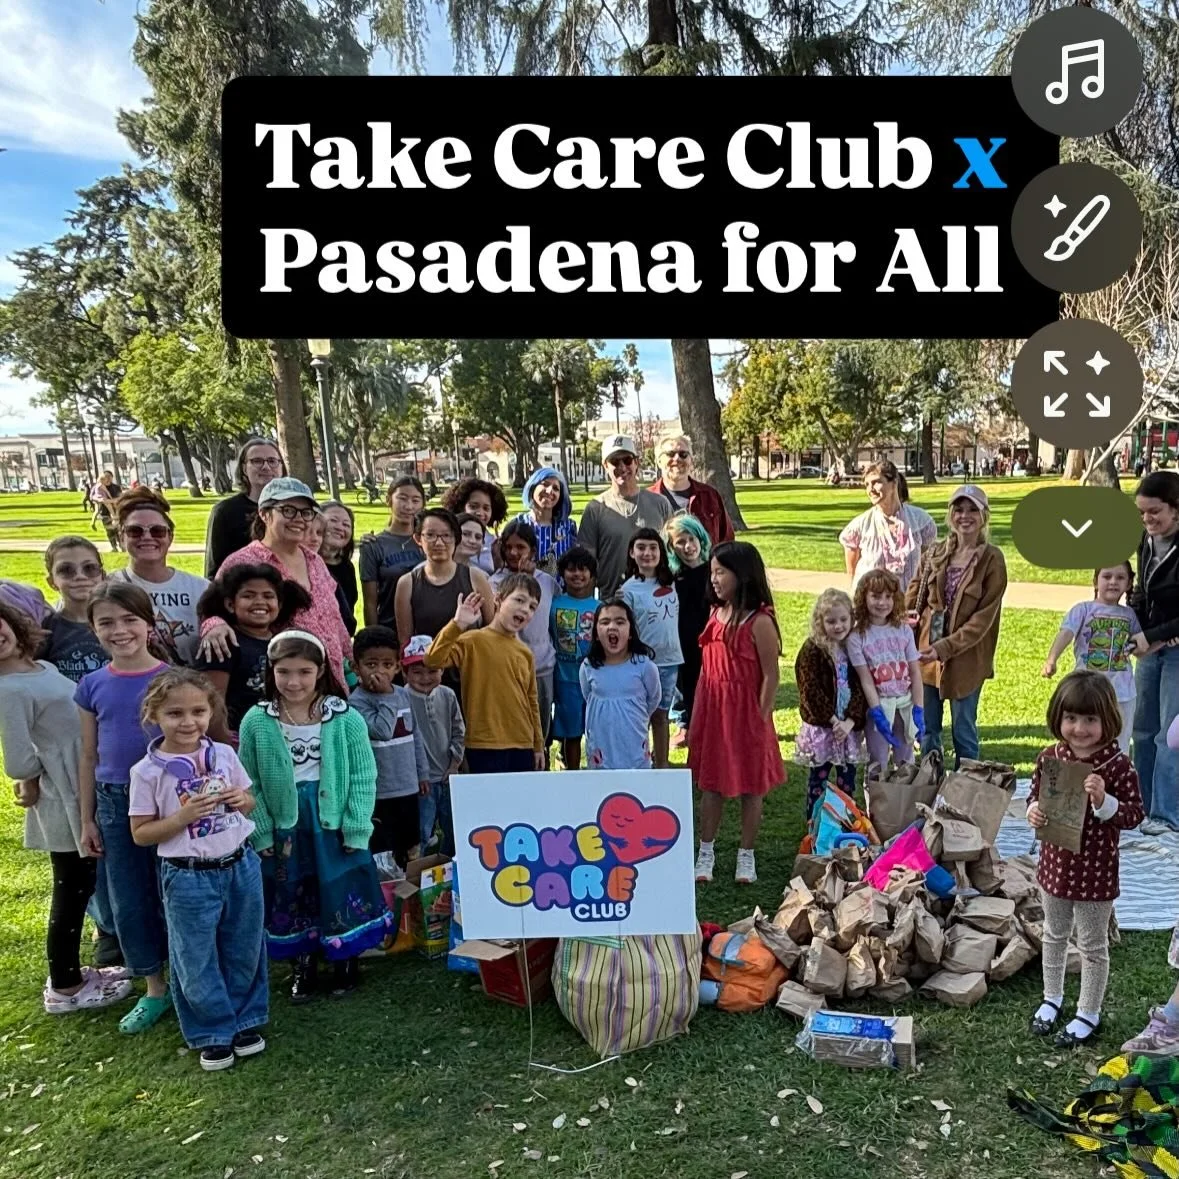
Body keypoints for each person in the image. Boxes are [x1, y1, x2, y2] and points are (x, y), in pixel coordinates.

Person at [238, 631, 390, 1001]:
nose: (294, 682)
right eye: (284, 672)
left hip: (332, 822)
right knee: (292, 889)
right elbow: (249, 780)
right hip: (286, 826)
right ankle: (302, 961)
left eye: (304, 672)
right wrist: (260, 832)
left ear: (320, 671)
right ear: (270, 671)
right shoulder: (257, 721)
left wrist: (356, 826)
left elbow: (362, 775)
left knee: (340, 884)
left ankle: (345, 958)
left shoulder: (345, 719)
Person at [128, 669, 268, 1072]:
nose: (188, 722)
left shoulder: (223, 754)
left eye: (198, 712)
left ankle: (245, 1020)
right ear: (154, 715)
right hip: (188, 875)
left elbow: (249, 802)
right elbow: (141, 834)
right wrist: (183, 816)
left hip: (239, 863)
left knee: (243, 944)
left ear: (211, 712)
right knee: (195, 955)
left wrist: (240, 798)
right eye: (175, 714)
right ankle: (212, 1030)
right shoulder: (147, 772)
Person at [0, 601, 132, 1015]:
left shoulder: (38, 668)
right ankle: (65, 987)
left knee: (80, 883)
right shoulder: (7, 689)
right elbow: (19, 762)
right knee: (72, 889)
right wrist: (46, 768)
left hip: (82, 781)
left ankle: (72, 974)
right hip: (65, 794)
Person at [1027, 671, 1144, 1048]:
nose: (1079, 728)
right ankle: (1052, 997)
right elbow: (1034, 794)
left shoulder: (1117, 767)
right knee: (1054, 934)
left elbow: (1134, 814)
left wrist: (1104, 802)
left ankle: (1088, 1012)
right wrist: (1033, 811)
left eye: (1090, 719)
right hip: (1054, 867)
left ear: (1107, 720)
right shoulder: (1050, 758)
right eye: (1071, 718)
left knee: (1093, 946)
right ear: (1058, 717)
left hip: (1095, 873)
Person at [75, 582, 172, 1034]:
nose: (120, 630)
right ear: (94, 629)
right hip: (116, 801)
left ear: (148, 622)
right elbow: (89, 755)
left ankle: (188, 974)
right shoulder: (92, 685)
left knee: (176, 892)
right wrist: (86, 819)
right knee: (130, 898)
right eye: (107, 622)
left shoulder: (172, 679)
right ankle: (155, 986)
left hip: (170, 798)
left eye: (130, 619)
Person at [690, 542, 785, 886]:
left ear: (742, 574)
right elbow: (707, 669)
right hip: (715, 709)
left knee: (751, 787)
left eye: (720, 571)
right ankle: (706, 851)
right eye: (712, 571)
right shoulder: (716, 614)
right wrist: (698, 713)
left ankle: (746, 854)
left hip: (746, 715)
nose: (713, 578)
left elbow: (771, 677)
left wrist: (759, 719)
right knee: (710, 784)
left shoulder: (759, 622)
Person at [201, 478, 352, 688]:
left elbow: (334, 619)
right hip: (286, 687)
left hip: (330, 680)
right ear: (264, 514)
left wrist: (351, 662)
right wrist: (214, 626)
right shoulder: (243, 561)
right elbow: (212, 609)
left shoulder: (315, 561)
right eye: (288, 510)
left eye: (306, 512)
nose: (299, 519)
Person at [907, 484, 1007, 769]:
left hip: (966, 659)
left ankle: (964, 796)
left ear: (984, 516)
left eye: (972, 509)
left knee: (963, 730)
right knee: (927, 729)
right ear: (950, 515)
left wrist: (945, 647)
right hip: (926, 655)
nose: (965, 516)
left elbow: (983, 619)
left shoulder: (992, 559)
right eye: (959, 510)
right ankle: (930, 786)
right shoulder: (935, 552)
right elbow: (913, 596)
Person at [425, 581, 545, 774]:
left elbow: (532, 701)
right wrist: (457, 624)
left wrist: (538, 745)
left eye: (532, 607)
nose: (525, 609)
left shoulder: (525, 653)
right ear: (498, 599)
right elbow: (432, 660)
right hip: (484, 743)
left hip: (523, 743)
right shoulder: (472, 640)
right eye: (519, 600)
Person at [195, 564, 311, 742]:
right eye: (248, 596)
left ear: (279, 605)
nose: (259, 601)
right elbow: (211, 703)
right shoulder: (224, 642)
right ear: (230, 604)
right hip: (238, 740)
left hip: (281, 738)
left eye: (268, 596)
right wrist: (226, 746)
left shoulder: (285, 643)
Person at [350, 626, 430, 869]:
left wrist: (422, 772)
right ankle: (386, 895)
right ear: (356, 668)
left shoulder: (403, 695)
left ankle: (411, 894)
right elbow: (382, 731)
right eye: (371, 665)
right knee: (383, 851)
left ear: (397, 667)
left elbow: (415, 734)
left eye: (387, 665)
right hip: (378, 792)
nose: (380, 672)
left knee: (410, 846)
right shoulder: (355, 703)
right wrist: (385, 696)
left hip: (407, 786)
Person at [394, 508, 494, 696]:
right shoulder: (407, 583)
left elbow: (493, 629)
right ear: (418, 539)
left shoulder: (476, 578)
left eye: (446, 536)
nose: (439, 542)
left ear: (456, 538)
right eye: (430, 535)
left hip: (471, 676)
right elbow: (405, 642)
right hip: (428, 679)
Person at [1043, 563, 1140, 755]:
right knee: (1080, 741)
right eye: (1107, 577)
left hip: (1122, 693)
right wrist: (1051, 659)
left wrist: (1165, 639)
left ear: (1129, 583)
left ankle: (1114, 782)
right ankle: (1074, 780)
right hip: (1086, 691)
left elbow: (1141, 646)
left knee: (1119, 744)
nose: (1113, 582)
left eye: (1120, 578)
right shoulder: (1083, 610)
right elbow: (1066, 633)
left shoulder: (1130, 615)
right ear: (1095, 581)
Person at [1129, 471, 1179, 833]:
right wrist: (1134, 627)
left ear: (1176, 509)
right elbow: (1143, 592)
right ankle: (1141, 807)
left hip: (1175, 650)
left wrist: (1157, 637)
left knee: (1170, 735)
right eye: (1142, 513)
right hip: (1150, 647)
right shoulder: (1145, 542)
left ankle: (1166, 814)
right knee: (1142, 729)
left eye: (1155, 512)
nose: (1147, 520)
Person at [110, 487, 209, 665]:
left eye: (157, 531)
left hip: (187, 686)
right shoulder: (107, 587)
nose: (147, 537)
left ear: (170, 537)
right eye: (135, 531)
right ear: (121, 537)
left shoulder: (201, 589)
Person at [794, 588, 867, 821]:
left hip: (847, 728)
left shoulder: (853, 647)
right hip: (825, 728)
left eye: (843, 620)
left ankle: (846, 821)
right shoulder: (813, 650)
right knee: (819, 777)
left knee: (847, 778)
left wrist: (850, 721)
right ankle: (815, 822)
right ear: (820, 621)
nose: (838, 626)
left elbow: (861, 685)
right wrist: (833, 721)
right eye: (831, 621)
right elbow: (810, 689)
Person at [490, 521, 557, 753]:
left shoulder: (547, 581)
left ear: (533, 551)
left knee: (541, 729)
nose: (513, 553)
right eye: (508, 547)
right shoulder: (495, 583)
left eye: (520, 547)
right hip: (507, 668)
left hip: (542, 666)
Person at [578, 435, 673, 598]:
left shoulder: (660, 503)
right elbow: (587, 562)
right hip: (612, 600)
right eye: (615, 462)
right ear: (605, 466)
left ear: (637, 463)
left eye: (627, 460)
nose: (622, 467)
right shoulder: (596, 508)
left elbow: (672, 552)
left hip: (654, 598)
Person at [619, 528, 681, 769]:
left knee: (662, 714)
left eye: (653, 547)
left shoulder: (674, 581)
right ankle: (639, 762)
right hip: (641, 662)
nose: (647, 553)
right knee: (640, 716)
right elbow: (625, 627)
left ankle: (662, 764)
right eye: (641, 548)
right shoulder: (628, 589)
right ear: (632, 553)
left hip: (670, 660)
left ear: (661, 552)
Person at [849, 568, 923, 770]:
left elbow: (915, 671)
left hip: (905, 704)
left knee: (906, 761)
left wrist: (918, 707)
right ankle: (876, 801)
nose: (882, 603)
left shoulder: (904, 630)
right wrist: (877, 712)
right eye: (875, 596)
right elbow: (865, 679)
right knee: (877, 762)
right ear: (864, 597)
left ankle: (905, 800)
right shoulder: (857, 637)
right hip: (879, 706)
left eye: (888, 597)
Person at [400, 635, 465, 857]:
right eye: (417, 672)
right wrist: (416, 774)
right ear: (404, 673)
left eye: (432, 670)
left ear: (442, 671)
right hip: (420, 782)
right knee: (422, 830)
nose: (425, 677)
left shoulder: (447, 695)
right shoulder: (402, 698)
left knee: (453, 827)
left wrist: (455, 764)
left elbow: (459, 730)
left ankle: (449, 866)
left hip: (447, 776)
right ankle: (418, 873)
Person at [580, 599, 661, 770]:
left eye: (620, 621)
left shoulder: (645, 666)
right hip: (601, 749)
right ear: (595, 633)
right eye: (605, 622)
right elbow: (587, 695)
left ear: (630, 631)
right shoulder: (588, 666)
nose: (612, 627)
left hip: (634, 749)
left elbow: (653, 699)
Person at [839, 459, 937, 594]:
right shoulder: (859, 526)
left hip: (908, 605)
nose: (870, 490)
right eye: (867, 485)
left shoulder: (921, 522)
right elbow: (852, 574)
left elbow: (927, 568)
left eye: (876, 482)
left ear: (894, 483)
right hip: (872, 608)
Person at [663, 513, 712, 750]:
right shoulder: (673, 578)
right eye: (680, 542)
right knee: (689, 694)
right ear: (672, 547)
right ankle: (691, 734)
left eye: (691, 539)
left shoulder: (714, 571)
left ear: (700, 538)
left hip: (712, 646)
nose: (688, 546)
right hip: (684, 647)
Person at [204, 439, 286, 577]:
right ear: (243, 468)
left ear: (281, 467)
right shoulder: (225, 511)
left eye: (272, 461)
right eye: (257, 461)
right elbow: (214, 571)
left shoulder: (296, 510)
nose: (266, 467)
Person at [549, 548, 598, 771]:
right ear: (562, 574)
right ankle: (573, 773)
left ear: (592, 575)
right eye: (571, 569)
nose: (577, 574)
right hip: (564, 679)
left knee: (596, 729)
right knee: (572, 733)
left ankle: (598, 770)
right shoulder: (554, 604)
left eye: (583, 569)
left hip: (594, 680)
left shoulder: (599, 607)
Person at [359, 476, 425, 637]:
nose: (408, 506)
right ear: (389, 500)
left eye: (415, 500)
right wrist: (374, 638)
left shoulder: (428, 540)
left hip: (426, 630)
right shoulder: (373, 545)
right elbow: (369, 602)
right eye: (402, 498)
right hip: (390, 630)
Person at [38, 536, 108, 682]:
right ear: (52, 582)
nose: (80, 576)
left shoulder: (120, 623)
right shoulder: (45, 629)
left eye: (89, 568)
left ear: (102, 575)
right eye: (66, 570)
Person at [648, 435, 734, 548]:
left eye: (683, 454)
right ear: (659, 461)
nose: (677, 458)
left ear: (691, 460)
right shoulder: (647, 499)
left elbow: (727, 541)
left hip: (706, 565)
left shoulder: (710, 496)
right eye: (670, 454)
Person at [515, 466, 578, 575]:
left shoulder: (568, 526)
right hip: (526, 588)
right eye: (545, 484)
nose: (550, 491)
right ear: (533, 487)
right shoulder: (518, 524)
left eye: (556, 488)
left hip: (561, 590)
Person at [442, 478, 509, 576]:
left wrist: (498, 561)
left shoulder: (496, 544)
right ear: (461, 507)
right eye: (473, 507)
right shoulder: (448, 536)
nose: (480, 513)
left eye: (486, 508)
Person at [318, 501, 358, 636]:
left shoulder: (347, 567)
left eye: (346, 525)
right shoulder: (301, 562)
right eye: (333, 520)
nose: (340, 527)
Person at [90, 472, 122, 551]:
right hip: (104, 512)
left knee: (117, 530)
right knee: (109, 530)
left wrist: (111, 501)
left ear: (112, 477)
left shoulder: (116, 488)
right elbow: (92, 497)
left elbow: (120, 499)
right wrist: (99, 499)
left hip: (115, 511)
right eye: (105, 477)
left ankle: (121, 545)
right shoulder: (98, 486)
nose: (107, 479)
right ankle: (114, 546)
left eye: (109, 477)